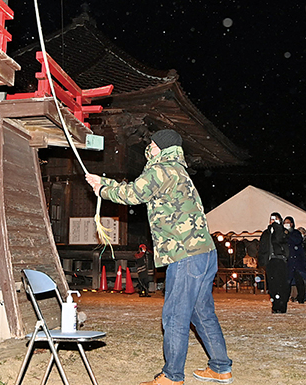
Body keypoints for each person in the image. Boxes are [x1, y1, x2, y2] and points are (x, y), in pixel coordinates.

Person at [86, 130, 233, 385]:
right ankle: (221, 368)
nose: (149, 148)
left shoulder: (161, 170)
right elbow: (139, 189)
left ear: (162, 147)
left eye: (152, 144)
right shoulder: (177, 170)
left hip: (185, 254)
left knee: (175, 315)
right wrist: (103, 183)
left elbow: (133, 194)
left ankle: (172, 376)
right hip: (204, 253)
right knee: (202, 312)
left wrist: (103, 190)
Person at [259, 212, 290, 313]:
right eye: (271, 219)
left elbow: (279, 239)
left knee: (282, 285)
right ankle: (275, 305)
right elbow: (262, 248)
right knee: (272, 285)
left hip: (280, 260)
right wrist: (262, 261)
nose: (273, 221)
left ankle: (282, 305)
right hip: (270, 261)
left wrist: (277, 227)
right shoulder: (266, 233)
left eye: (275, 219)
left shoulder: (282, 231)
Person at [283, 217, 306, 304]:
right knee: (287, 281)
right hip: (288, 261)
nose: (286, 224)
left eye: (288, 222)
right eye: (285, 222)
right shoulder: (282, 233)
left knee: (299, 280)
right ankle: (286, 297)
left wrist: (288, 235)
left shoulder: (295, 233)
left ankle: (301, 297)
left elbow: (297, 241)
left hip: (297, 260)